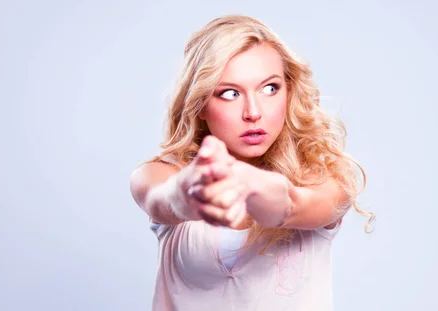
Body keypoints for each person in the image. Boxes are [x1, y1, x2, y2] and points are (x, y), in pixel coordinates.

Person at [129, 14, 374, 311]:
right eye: (230, 94)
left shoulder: (326, 177)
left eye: (269, 88)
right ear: (201, 105)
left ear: (289, 90)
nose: (253, 112)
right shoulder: (158, 173)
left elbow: (300, 203)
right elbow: (160, 199)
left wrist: (261, 191)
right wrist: (189, 192)